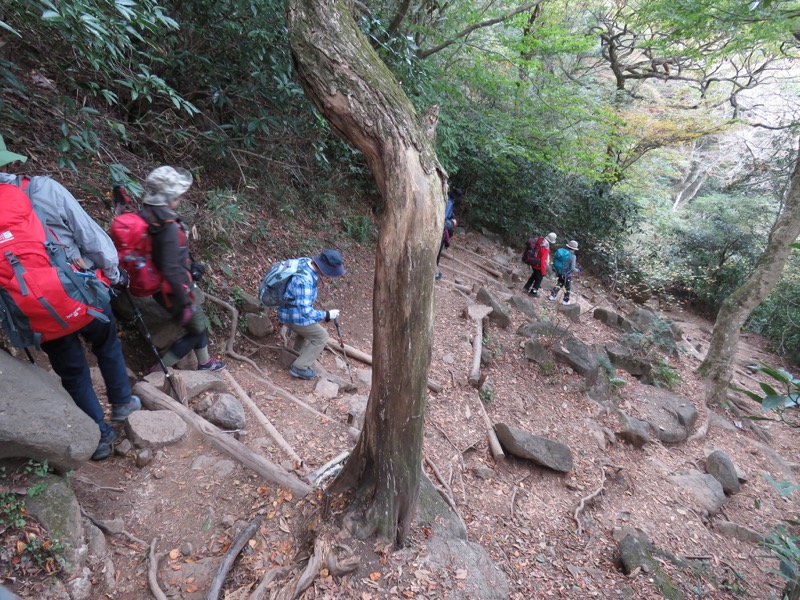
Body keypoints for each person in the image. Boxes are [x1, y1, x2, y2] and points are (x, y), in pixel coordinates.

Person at [0, 137, 140, 461]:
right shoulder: (42, 189)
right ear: (8, 162)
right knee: (106, 345)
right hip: (84, 294)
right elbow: (90, 236)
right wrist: (115, 272)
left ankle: (99, 437)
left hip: (37, 312)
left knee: (73, 373)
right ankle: (123, 404)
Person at [140, 166, 226, 373]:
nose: (179, 197)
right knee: (196, 329)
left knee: (198, 325)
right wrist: (186, 301)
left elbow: (166, 256)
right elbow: (170, 268)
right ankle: (158, 371)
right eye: (177, 194)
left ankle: (205, 362)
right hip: (176, 291)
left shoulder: (148, 213)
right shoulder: (167, 225)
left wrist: (191, 265)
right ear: (169, 197)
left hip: (163, 287)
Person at [278, 249, 346, 380]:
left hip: (289, 310)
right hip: (292, 315)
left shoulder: (306, 262)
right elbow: (306, 312)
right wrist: (327, 315)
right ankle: (299, 367)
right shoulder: (304, 281)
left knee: (309, 331)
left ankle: (297, 355)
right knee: (321, 336)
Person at [435, 187, 463, 280]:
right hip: (440, 230)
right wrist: (451, 223)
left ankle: (434, 271)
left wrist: (453, 218)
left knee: (437, 250)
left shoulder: (449, 200)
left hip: (440, 229)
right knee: (437, 251)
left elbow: (449, 215)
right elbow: (443, 218)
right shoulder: (449, 202)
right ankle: (434, 272)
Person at [523, 232, 557, 297]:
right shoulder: (546, 247)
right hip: (539, 266)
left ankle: (526, 287)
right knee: (538, 280)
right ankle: (533, 292)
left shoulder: (541, 241)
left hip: (534, 262)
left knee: (533, 276)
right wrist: (543, 271)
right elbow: (543, 261)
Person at [549, 240, 579, 305]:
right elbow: (572, 268)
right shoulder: (573, 256)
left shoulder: (562, 252)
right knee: (567, 287)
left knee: (560, 283)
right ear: (574, 249)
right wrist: (578, 270)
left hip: (559, 272)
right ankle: (566, 300)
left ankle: (552, 296)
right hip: (566, 274)